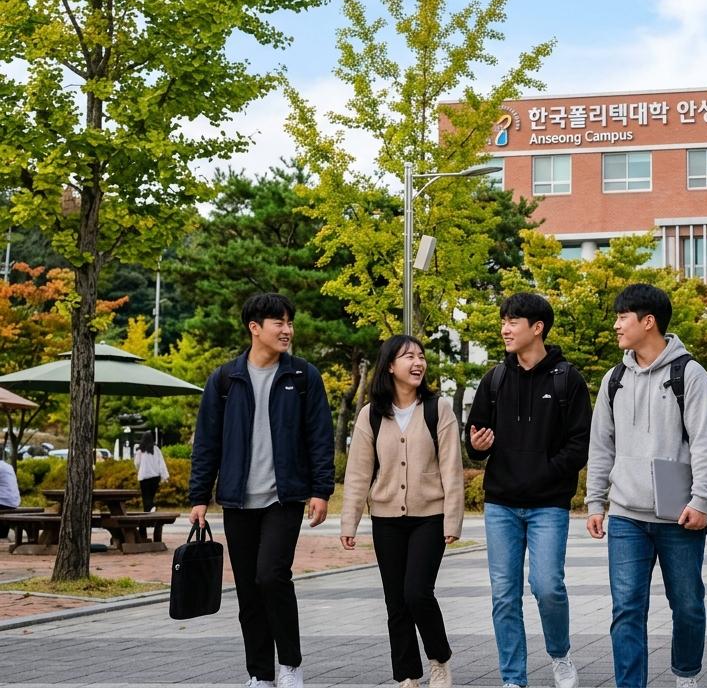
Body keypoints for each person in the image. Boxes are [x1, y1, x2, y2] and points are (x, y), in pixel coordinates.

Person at [189, 293, 334, 688]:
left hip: (283, 498)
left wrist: (321, 490)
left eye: (290, 323)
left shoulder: (303, 377)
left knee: (271, 576)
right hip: (237, 500)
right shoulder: (224, 380)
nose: (287, 330)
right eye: (279, 323)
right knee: (248, 590)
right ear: (255, 328)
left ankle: (290, 664)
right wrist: (199, 497)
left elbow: (320, 438)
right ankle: (260, 673)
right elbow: (207, 442)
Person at [584, 284, 707, 688]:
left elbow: (705, 441)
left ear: (648, 322)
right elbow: (601, 444)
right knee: (626, 609)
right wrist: (595, 501)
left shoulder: (689, 374)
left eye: (622, 317)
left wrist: (702, 499)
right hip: (626, 516)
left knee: (689, 606)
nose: (616, 325)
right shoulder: (614, 378)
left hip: (679, 514)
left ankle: (686, 675)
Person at [464, 293, 592, 688]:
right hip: (501, 503)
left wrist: (545, 473)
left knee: (547, 586)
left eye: (513, 321)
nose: (504, 328)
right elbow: (475, 436)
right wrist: (477, 446)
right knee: (504, 594)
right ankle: (513, 678)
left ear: (537, 328)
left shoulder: (567, 378)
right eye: (503, 320)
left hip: (547, 506)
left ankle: (560, 654)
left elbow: (580, 444)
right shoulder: (495, 378)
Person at [340, 336, 463, 688]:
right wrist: (350, 521)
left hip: (430, 516)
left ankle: (440, 658)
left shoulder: (437, 409)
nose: (417, 362)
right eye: (408, 356)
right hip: (386, 519)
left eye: (421, 356)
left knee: (416, 592)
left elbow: (451, 469)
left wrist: (452, 519)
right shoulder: (371, 415)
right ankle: (406, 674)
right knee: (395, 601)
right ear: (390, 366)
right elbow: (359, 473)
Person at [133, 431, 169, 512]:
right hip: (155, 477)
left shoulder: (140, 451)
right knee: (151, 496)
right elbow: (161, 463)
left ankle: (150, 509)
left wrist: (139, 469)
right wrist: (164, 476)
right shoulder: (156, 449)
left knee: (146, 497)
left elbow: (137, 463)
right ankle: (150, 510)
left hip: (144, 477)